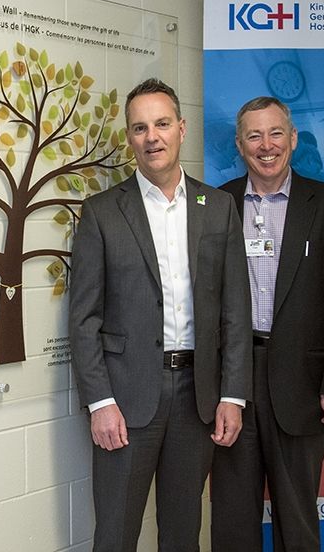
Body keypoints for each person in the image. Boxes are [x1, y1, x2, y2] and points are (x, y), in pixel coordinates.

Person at [69, 78, 252, 551]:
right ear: (129, 138)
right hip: (126, 401)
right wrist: (99, 402)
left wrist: (233, 393)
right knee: (115, 533)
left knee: (182, 533)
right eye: (140, 127)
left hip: (198, 398)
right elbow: (83, 318)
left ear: (181, 128)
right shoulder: (102, 212)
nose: (152, 137)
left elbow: (235, 309)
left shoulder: (219, 207)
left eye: (162, 124)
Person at [211, 97, 324, 552]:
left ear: (293, 139)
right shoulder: (218, 204)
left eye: (276, 133)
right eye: (254, 136)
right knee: (232, 518)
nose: (266, 145)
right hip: (232, 385)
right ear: (240, 145)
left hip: (304, 384)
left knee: (296, 520)